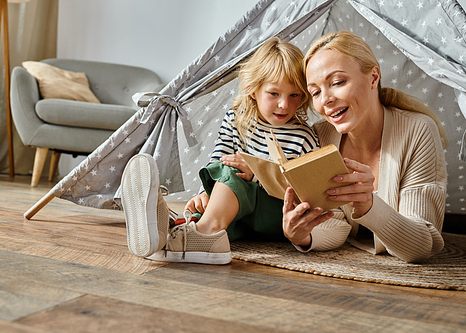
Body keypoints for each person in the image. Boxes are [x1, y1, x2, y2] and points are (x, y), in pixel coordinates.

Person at [120, 37, 319, 264]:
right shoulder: (235, 119)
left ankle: (205, 233)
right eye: (274, 94)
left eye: (294, 95)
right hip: (241, 215)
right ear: (253, 90)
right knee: (216, 185)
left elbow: (306, 193)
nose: (284, 104)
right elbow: (219, 159)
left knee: (233, 174)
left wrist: (257, 174)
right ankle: (169, 229)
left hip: (276, 216)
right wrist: (206, 193)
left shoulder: (304, 137)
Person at [282, 31, 448, 263]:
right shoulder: (321, 134)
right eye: (315, 92)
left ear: (373, 77)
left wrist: (369, 205)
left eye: (338, 82)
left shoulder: (417, 130)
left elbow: (421, 246)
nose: (325, 100)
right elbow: (335, 224)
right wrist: (302, 237)